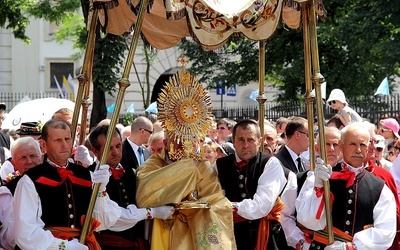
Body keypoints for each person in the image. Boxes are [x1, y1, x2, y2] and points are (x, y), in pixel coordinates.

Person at [136, 69, 236, 249]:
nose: (184, 144)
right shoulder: (154, 163)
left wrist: (200, 209)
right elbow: (145, 194)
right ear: (166, 142)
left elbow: (217, 201)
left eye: (188, 138)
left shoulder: (202, 165)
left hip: (195, 236)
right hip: (165, 233)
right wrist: (188, 167)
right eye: (179, 139)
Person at [12, 119, 122, 249]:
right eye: (58, 140)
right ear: (44, 145)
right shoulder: (30, 180)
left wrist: (100, 190)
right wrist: (65, 246)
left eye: (67, 139)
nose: (64, 145)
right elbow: (25, 233)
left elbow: (104, 221)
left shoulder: (86, 175)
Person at [296, 123, 396, 249]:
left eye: (363, 145)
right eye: (353, 144)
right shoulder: (322, 177)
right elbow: (307, 220)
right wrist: (318, 187)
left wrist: (351, 247)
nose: (358, 150)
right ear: (341, 146)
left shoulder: (379, 188)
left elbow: (385, 231)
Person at [88, 125, 173, 249]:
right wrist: (152, 212)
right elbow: (113, 219)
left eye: (118, 146)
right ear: (95, 151)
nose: (116, 152)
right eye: (109, 148)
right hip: (106, 245)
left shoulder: (131, 172)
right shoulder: (91, 177)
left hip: (135, 244)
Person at [216, 119, 295, 249]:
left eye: (251, 140)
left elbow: (262, 206)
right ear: (233, 142)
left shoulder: (270, 164)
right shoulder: (219, 165)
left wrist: (229, 207)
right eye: (241, 140)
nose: (246, 145)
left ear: (259, 141)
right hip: (230, 237)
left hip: (264, 236)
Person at [0, 137, 42, 250]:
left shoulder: (55, 182)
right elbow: (6, 239)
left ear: (41, 157)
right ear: (14, 162)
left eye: (33, 156)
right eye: (23, 158)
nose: (29, 161)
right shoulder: (7, 192)